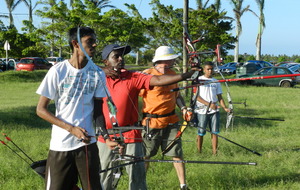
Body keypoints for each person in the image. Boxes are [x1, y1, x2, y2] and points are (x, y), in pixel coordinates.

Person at [96, 44, 195, 190]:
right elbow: (78, 68)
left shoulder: (134, 76)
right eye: (116, 56)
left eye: (122, 55)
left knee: (137, 176)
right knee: (105, 175)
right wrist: (101, 70)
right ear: (106, 61)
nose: (121, 59)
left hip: (131, 133)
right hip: (106, 136)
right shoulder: (96, 77)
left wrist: (188, 74)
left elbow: (159, 81)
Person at [36, 27, 106, 190]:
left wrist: (105, 134)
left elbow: (98, 110)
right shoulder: (58, 71)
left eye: (95, 41)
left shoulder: (97, 73)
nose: (94, 45)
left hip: (88, 144)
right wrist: (71, 129)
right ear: (75, 44)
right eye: (89, 41)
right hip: (61, 145)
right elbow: (41, 110)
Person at [139, 46, 191, 190]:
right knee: (146, 155)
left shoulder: (173, 74)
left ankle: (183, 185)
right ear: (164, 60)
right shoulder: (147, 75)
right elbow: (134, 95)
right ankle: (140, 184)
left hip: (171, 121)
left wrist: (184, 108)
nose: (174, 61)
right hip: (152, 122)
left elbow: (178, 96)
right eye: (172, 59)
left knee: (177, 154)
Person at [194, 61, 231, 155]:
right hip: (202, 110)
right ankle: (199, 152)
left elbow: (220, 97)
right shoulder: (198, 80)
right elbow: (196, 96)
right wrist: (209, 104)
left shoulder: (216, 82)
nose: (210, 71)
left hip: (214, 110)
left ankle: (215, 152)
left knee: (215, 132)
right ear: (204, 70)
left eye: (212, 69)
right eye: (208, 69)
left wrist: (225, 108)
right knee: (201, 132)